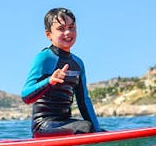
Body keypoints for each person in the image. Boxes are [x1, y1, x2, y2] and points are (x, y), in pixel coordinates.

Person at [21, 7, 102, 137]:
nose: (68, 32)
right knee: (85, 127)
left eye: (71, 27)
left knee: (89, 127)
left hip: (65, 123)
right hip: (43, 126)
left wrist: (98, 132)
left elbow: (84, 100)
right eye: (61, 28)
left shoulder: (78, 63)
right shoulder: (44, 58)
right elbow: (26, 96)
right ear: (49, 35)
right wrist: (49, 81)